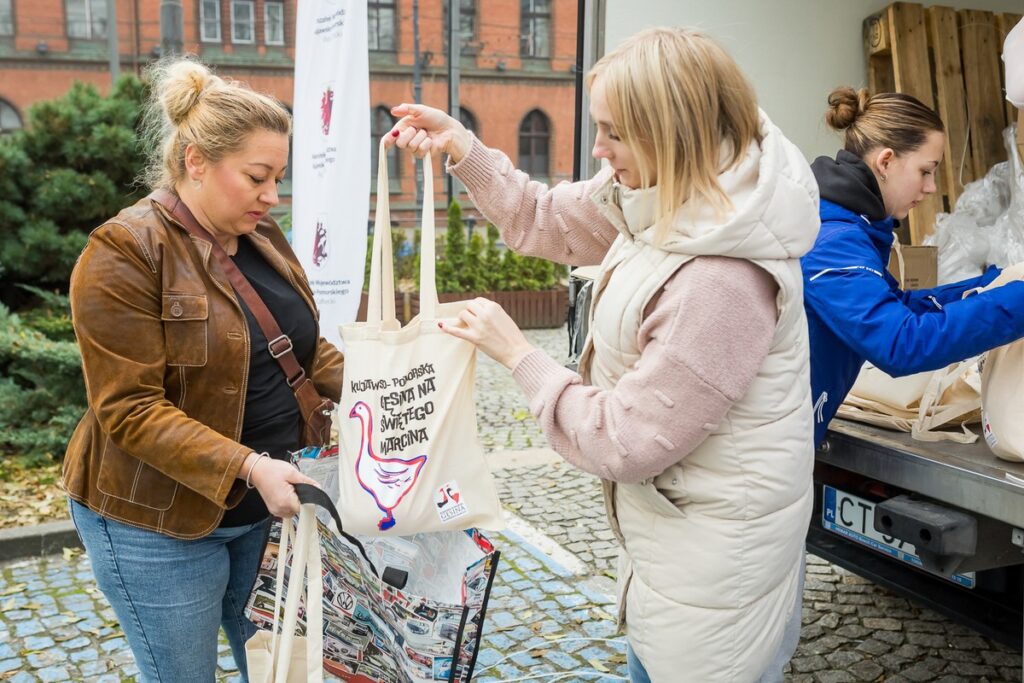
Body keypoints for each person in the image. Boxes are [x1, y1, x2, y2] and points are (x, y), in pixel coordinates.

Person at [389, 27, 819, 683]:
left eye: (613, 133)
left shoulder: (721, 277)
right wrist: (462, 145)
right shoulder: (663, 200)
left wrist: (517, 353)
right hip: (673, 552)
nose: (598, 150)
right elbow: (545, 214)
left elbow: (626, 438)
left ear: (672, 133)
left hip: (714, 575)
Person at [62, 57, 344, 682]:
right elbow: (129, 411)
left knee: (282, 673)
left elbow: (300, 347)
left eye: (278, 177)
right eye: (257, 177)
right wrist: (247, 465)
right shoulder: (124, 250)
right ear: (195, 161)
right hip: (157, 525)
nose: (272, 196)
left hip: (268, 510)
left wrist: (379, 387)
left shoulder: (263, 234)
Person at [803, 87, 1024, 447]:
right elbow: (902, 342)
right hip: (753, 469)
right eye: (926, 170)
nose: (931, 187)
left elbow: (899, 305)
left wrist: (994, 284)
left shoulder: (848, 229)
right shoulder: (833, 242)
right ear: (886, 162)